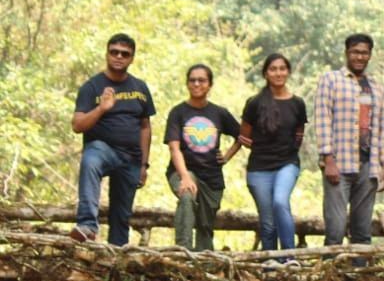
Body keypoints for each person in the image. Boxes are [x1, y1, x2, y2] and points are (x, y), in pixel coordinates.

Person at [71, 33, 157, 245]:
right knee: (91, 160)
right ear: (107, 54)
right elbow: (77, 125)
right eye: (114, 52)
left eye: (125, 54)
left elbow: (145, 127)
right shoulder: (92, 87)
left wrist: (144, 165)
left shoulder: (140, 88)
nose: (119, 57)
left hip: (131, 158)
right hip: (103, 150)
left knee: (122, 217)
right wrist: (101, 109)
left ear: (132, 58)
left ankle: (115, 265)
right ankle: (87, 225)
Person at [314, 34, 384, 247]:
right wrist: (328, 159)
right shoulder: (331, 80)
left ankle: (359, 278)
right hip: (339, 164)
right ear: (347, 53)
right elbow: (322, 119)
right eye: (355, 52)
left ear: (370, 55)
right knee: (336, 228)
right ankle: (332, 276)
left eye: (364, 53)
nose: (360, 57)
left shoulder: (376, 87)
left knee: (362, 229)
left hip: (369, 166)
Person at [164, 64, 241, 251]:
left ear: (209, 85)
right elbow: (174, 148)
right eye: (192, 80)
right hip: (183, 170)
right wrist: (184, 176)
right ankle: (182, 252)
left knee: (205, 227)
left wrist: (227, 156)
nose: (196, 84)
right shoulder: (178, 112)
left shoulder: (219, 113)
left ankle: (203, 266)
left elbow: (243, 136)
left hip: (212, 177)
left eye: (202, 80)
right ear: (187, 84)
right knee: (187, 196)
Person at [240, 53, 308, 253]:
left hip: (287, 163)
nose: (278, 73)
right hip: (259, 168)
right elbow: (245, 136)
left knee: (280, 201)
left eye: (282, 68)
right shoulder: (254, 103)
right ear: (266, 73)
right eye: (273, 69)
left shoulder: (297, 103)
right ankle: (270, 261)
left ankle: (288, 256)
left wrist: (286, 151)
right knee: (268, 221)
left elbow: (299, 133)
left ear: (288, 71)